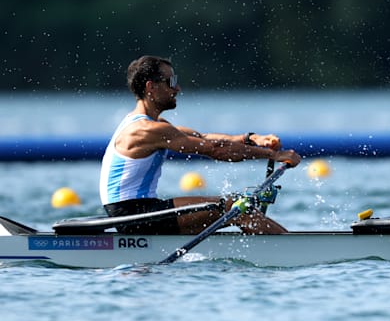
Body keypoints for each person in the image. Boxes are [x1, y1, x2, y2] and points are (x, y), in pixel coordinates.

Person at [99, 55, 301, 235]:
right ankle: (295, 251)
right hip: (134, 216)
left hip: (141, 212)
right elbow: (215, 150)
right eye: (171, 82)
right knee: (237, 208)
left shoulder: (154, 125)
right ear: (151, 87)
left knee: (235, 208)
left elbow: (205, 137)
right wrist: (273, 156)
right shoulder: (145, 130)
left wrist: (253, 138)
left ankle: (281, 248)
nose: (177, 88)